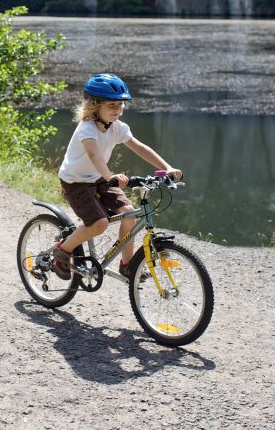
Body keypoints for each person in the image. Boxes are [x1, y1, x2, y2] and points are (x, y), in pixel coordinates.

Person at [51, 73, 182, 280]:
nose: (118, 110)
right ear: (95, 106)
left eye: (120, 105)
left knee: (129, 212)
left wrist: (166, 167)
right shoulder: (87, 129)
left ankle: (127, 264)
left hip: (101, 179)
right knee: (99, 224)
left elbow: (140, 148)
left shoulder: (117, 127)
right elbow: (94, 155)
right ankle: (63, 250)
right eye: (112, 105)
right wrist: (110, 175)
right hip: (76, 182)